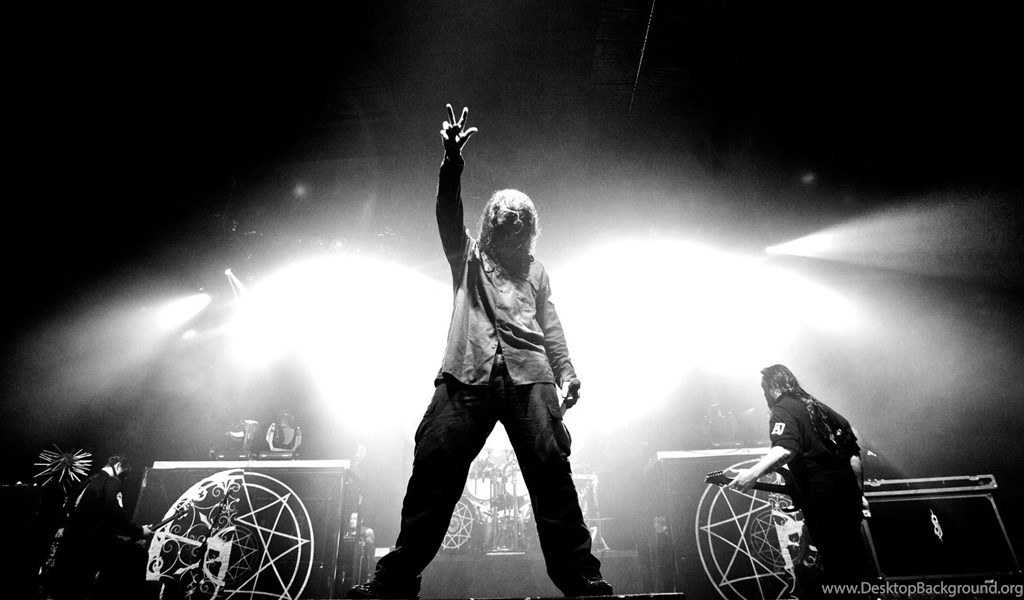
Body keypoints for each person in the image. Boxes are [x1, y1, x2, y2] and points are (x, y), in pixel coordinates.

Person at [347, 104, 611, 598]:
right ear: (493, 224)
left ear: (528, 229)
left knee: (552, 475)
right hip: (464, 375)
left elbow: (551, 327)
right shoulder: (467, 256)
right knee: (433, 472)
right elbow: (448, 213)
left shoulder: (537, 272)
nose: (513, 228)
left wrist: (568, 372)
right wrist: (452, 163)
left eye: (520, 223)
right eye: (505, 221)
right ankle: (397, 578)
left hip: (530, 377)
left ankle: (579, 574)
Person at [727, 364, 870, 598]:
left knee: (836, 569)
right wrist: (859, 494)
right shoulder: (823, 409)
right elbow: (854, 458)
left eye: (764, 390)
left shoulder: (783, 408)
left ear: (772, 386)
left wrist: (751, 474)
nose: (765, 396)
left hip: (823, 501)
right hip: (848, 499)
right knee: (853, 567)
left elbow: (785, 449)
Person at [48, 455, 153, 600]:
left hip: (70, 546)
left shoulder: (88, 481)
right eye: (123, 475)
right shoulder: (111, 481)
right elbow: (114, 510)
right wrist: (139, 530)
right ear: (118, 466)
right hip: (92, 546)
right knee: (138, 553)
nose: (122, 479)